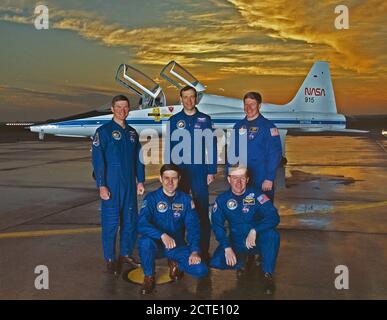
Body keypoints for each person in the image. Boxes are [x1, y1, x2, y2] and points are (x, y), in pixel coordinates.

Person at [92, 94, 145, 275]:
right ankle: (110, 258)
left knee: (130, 222)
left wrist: (141, 181)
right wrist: (101, 184)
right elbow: (98, 161)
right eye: (119, 107)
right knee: (111, 223)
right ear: (112, 109)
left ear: (129, 109)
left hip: (130, 185)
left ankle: (126, 254)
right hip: (112, 185)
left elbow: (139, 159)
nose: (122, 110)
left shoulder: (132, 133)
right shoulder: (104, 132)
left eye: (125, 107)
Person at [137, 164, 209, 294]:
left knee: (201, 270)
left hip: (176, 245)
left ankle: (175, 263)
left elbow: (193, 227)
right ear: (160, 179)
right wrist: (161, 235)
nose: (170, 182)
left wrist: (194, 251)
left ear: (179, 179)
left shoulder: (186, 200)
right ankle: (149, 276)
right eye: (166, 178)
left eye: (174, 178)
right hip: (156, 245)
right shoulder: (151, 198)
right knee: (144, 242)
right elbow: (141, 224)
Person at [209, 165, 280, 294]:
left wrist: (255, 230)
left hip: (255, 241)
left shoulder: (257, 195)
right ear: (229, 179)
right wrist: (227, 247)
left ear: (247, 179)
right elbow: (217, 226)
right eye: (235, 178)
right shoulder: (222, 200)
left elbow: (274, 217)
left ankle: (267, 274)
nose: (238, 182)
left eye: (242, 178)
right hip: (237, 242)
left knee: (272, 235)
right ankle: (242, 260)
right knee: (216, 261)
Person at [166, 85, 217, 262]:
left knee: (202, 210)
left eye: (192, 97)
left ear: (196, 99)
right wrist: (169, 173)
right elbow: (169, 147)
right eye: (185, 97)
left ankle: (202, 250)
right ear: (180, 99)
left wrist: (211, 170)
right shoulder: (174, 120)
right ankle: (178, 250)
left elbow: (212, 146)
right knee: (177, 210)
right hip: (180, 171)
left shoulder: (205, 119)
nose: (189, 100)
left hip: (199, 170)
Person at [229, 92, 282, 201]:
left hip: (261, 179)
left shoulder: (268, 127)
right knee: (244, 212)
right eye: (246, 104)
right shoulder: (238, 126)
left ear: (259, 105)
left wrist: (269, 178)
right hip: (242, 180)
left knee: (264, 212)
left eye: (252, 104)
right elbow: (232, 153)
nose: (248, 108)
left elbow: (275, 155)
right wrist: (231, 176)